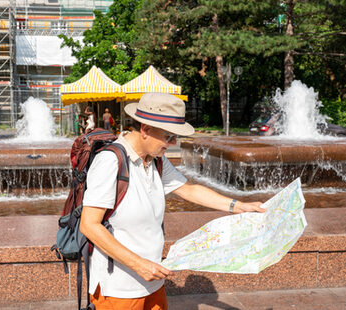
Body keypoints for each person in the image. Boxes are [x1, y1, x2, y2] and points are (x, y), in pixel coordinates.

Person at [80, 92, 265, 310]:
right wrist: (139, 265)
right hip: (119, 288)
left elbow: (188, 189)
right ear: (146, 130)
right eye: (168, 136)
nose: (174, 142)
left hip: (153, 280)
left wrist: (238, 206)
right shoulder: (111, 161)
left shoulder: (156, 160)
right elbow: (89, 225)